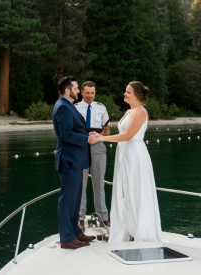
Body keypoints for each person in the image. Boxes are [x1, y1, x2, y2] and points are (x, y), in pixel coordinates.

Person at [94, 81, 163, 243]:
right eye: (125, 91)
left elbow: (127, 136)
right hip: (124, 154)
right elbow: (122, 135)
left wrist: (102, 138)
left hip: (135, 155)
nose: (125, 94)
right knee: (124, 191)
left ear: (137, 95)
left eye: (128, 92)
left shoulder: (140, 112)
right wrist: (100, 133)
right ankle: (128, 229)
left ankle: (139, 231)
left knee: (135, 191)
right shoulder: (129, 111)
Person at [53, 76, 100, 249]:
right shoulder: (63, 107)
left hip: (75, 160)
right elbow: (66, 135)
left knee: (75, 199)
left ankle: (74, 232)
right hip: (69, 160)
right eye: (76, 88)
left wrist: (90, 134)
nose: (79, 91)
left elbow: (74, 130)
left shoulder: (67, 105)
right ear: (67, 91)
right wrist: (88, 139)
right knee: (67, 201)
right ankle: (66, 238)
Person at [74, 81, 111, 232]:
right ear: (81, 92)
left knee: (99, 184)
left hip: (98, 147)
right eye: (87, 92)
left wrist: (101, 134)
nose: (90, 95)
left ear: (95, 93)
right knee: (81, 185)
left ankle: (103, 216)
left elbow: (107, 130)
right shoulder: (74, 108)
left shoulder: (101, 108)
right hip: (80, 148)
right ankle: (80, 219)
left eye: (92, 93)